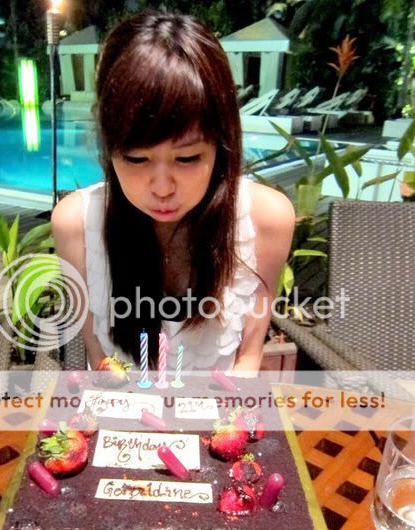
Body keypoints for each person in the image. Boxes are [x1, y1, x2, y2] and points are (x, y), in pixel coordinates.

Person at [52, 10, 294, 373]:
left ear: (220, 144)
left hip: (217, 406)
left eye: (187, 158)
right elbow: (100, 360)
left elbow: (248, 356)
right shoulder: (75, 224)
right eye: (136, 158)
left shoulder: (267, 219)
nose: (163, 188)